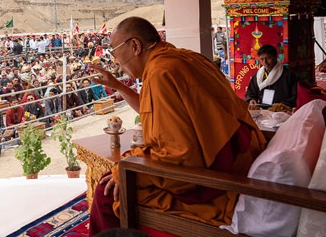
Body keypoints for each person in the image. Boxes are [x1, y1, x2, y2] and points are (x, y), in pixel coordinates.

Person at [87, 17, 265, 234]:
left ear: (135, 46)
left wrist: (123, 169)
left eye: (115, 51)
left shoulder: (160, 73)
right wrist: (116, 85)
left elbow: (179, 157)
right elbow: (150, 110)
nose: (116, 60)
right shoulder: (185, 58)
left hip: (214, 184)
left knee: (107, 193)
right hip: (237, 161)